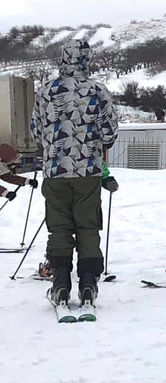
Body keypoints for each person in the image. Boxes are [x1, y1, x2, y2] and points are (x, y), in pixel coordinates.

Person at [30, 39, 119, 309]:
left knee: (59, 227)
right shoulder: (97, 90)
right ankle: (89, 280)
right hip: (87, 172)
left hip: (55, 172)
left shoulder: (46, 90)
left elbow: (36, 131)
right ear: (87, 60)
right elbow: (109, 134)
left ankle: (60, 281)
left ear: (62, 58)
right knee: (87, 226)